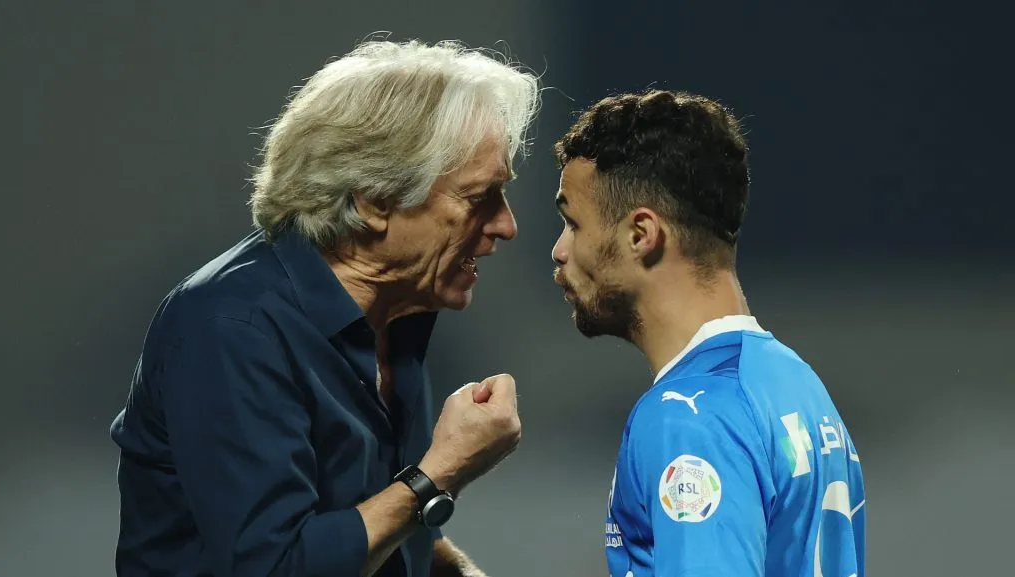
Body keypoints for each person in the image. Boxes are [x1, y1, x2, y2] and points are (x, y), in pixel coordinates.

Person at [109, 39, 540, 577]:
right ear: (374, 202)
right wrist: (441, 472)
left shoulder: (398, 316)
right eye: (480, 198)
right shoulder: (232, 328)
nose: (507, 225)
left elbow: (398, 539)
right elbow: (275, 567)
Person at [550, 90, 865, 577]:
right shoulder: (796, 384)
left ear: (641, 235)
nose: (559, 250)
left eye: (572, 224)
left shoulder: (689, 417)